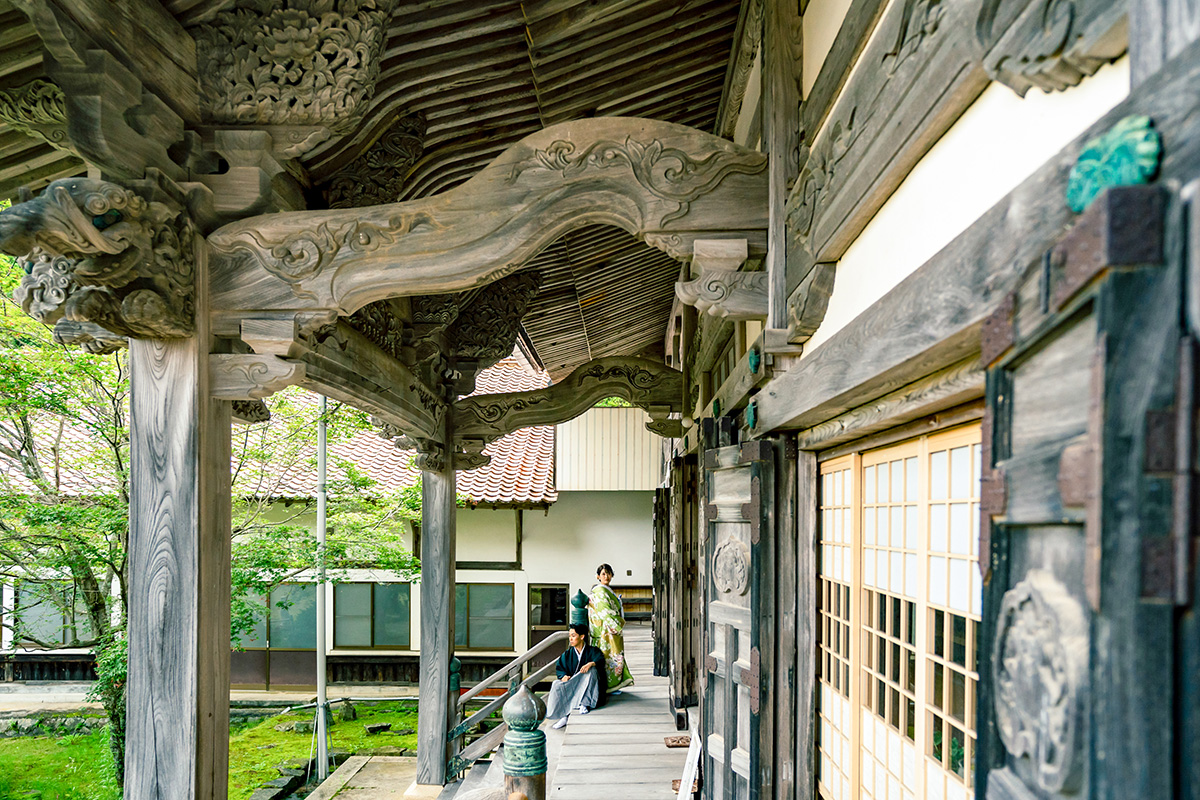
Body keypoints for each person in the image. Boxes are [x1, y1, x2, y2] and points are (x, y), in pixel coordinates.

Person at [545, 623, 606, 729]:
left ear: (582, 637)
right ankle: (563, 715)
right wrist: (563, 676)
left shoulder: (592, 651)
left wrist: (591, 663)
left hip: (587, 684)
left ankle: (584, 703)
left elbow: (600, 659)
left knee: (592, 671)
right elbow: (560, 668)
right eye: (570, 636)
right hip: (574, 682)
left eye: (573, 636)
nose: (570, 639)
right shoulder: (567, 654)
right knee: (556, 684)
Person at [588, 563, 634, 694]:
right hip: (606, 630)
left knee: (614, 656)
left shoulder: (606, 590)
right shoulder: (600, 591)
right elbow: (605, 611)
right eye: (603, 573)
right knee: (609, 656)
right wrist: (617, 623)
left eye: (608, 573)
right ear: (598, 576)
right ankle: (609, 686)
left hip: (609, 629)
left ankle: (613, 685)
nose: (606, 576)